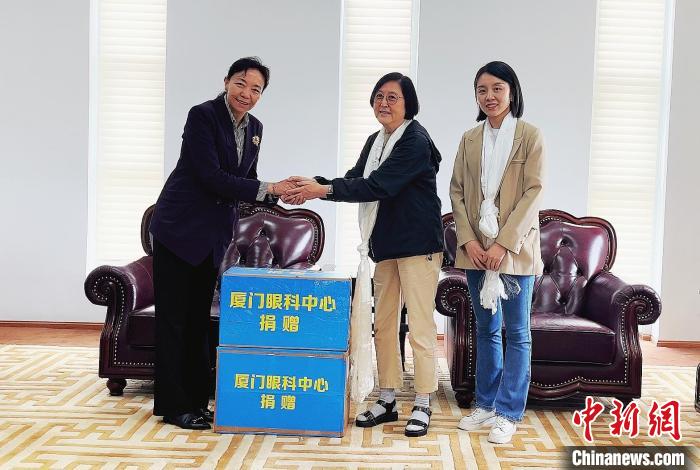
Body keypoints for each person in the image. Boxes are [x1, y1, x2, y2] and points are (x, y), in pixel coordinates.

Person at [283, 72, 444, 437]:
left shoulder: (415, 141)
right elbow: (356, 178)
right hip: (385, 245)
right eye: (379, 97)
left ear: (409, 104)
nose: (384, 103)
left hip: (418, 246)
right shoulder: (376, 141)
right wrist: (314, 185)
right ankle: (387, 398)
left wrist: (320, 191)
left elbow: (378, 186)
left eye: (393, 97)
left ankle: (423, 401)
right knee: (383, 323)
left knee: (420, 326)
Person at [149, 57, 294, 430]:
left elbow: (247, 179)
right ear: (227, 81)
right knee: (174, 320)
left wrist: (283, 194)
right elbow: (210, 176)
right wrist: (270, 188)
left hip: (212, 235)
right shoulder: (202, 116)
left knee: (198, 321)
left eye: (256, 89)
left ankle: (197, 402)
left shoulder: (255, 128)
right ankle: (173, 406)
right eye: (241, 84)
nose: (247, 94)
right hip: (179, 228)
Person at [450, 61, 544, 444]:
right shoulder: (469, 138)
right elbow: (457, 191)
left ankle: (508, 412)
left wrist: (503, 243)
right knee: (486, 329)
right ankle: (486, 403)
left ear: (512, 92)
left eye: (497, 88)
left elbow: (533, 191)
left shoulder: (530, 135)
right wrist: (470, 242)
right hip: (475, 251)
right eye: (482, 90)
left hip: (515, 252)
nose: (489, 96)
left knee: (517, 333)